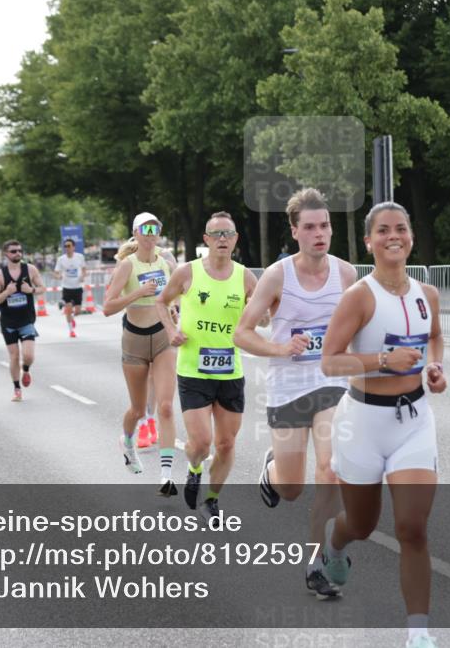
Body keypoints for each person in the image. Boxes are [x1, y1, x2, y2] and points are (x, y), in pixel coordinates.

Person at [319, 201, 447, 648]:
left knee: (413, 527)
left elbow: (434, 338)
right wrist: (381, 360)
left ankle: (418, 635)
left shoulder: (428, 294)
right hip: (363, 423)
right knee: (362, 525)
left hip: (413, 420)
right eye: (384, 230)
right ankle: (333, 548)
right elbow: (329, 362)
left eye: (402, 229)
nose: (395, 236)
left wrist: (435, 369)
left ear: (411, 237)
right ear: (370, 241)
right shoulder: (360, 296)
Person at [233, 188, 356, 600]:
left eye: (324, 225)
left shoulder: (346, 274)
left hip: (331, 384)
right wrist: (281, 347)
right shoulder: (277, 275)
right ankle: (271, 471)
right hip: (288, 386)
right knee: (291, 488)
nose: (319, 233)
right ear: (295, 231)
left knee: (330, 468)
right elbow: (242, 333)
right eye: (310, 227)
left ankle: (318, 562)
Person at [155, 212, 260, 525]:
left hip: (230, 373)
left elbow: (260, 314)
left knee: (226, 444)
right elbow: (162, 302)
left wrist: (263, 317)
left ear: (236, 239)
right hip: (193, 370)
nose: (223, 240)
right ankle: (195, 469)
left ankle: (212, 499)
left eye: (228, 234)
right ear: (206, 240)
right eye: (217, 234)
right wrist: (171, 331)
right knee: (201, 443)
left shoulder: (245, 277)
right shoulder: (188, 272)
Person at [103, 213, 178, 494]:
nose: (151, 232)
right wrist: (138, 293)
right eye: (146, 228)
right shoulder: (127, 266)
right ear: (136, 232)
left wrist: (174, 310)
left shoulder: (167, 263)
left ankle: (167, 475)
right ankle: (127, 440)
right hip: (134, 340)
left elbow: (180, 296)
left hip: (161, 337)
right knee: (137, 409)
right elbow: (108, 307)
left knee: (167, 406)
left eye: (155, 227)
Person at [0, 240, 46, 401]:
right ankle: (17, 389)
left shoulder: (30, 269)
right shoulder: (0, 275)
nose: (17, 254)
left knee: (28, 356)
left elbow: (42, 287)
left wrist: (31, 290)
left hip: (27, 320)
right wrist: (7, 292)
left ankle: (26, 369)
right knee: (14, 356)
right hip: (8, 323)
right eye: (13, 251)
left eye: (20, 251)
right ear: (6, 254)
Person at [54, 239, 87, 338]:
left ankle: (72, 318)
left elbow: (84, 270)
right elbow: (56, 272)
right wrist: (58, 276)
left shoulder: (80, 257)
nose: (67, 248)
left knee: (77, 311)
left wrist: (82, 276)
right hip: (66, 287)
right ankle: (71, 330)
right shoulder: (61, 259)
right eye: (65, 246)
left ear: (73, 247)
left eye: (69, 246)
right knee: (68, 309)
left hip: (77, 287)